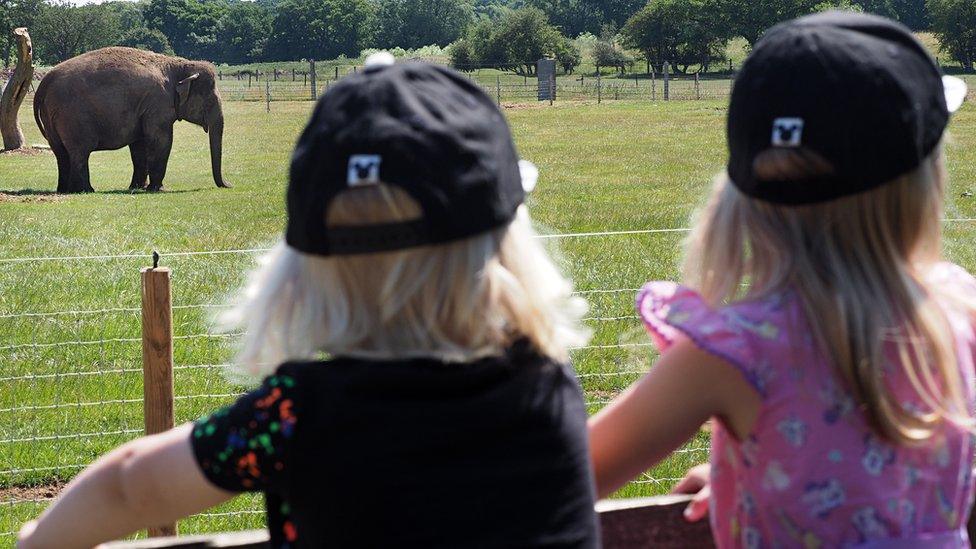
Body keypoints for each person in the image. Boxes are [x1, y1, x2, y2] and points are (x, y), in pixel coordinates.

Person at [17, 56, 599, 549]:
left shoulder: (293, 416)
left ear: (299, 269)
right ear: (510, 246)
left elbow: (127, 486)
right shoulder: (547, 388)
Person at [588, 12, 976, 548]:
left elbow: (559, 486)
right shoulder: (960, 311)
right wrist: (755, 482)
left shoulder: (735, 351)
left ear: (745, 192)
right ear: (922, 182)